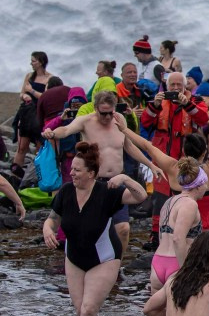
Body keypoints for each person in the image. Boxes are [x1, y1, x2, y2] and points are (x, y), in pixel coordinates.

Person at [43, 91, 162, 250]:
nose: (107, 117)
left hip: (117, 181)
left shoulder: (118, 121)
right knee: (91, 228)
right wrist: (52, 133)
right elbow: (65, 130)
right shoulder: (85, 121)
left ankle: (116, 266)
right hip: (94, 183)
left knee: (123, 229)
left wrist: (150, 165)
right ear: (95, 108)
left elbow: (129, 147)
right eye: (103, 113)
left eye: (110, 113)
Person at [42, 142, 148, 316]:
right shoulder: (66, 191)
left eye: (77, 170)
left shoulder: (107, 192)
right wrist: (47, 230)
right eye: (72, 169)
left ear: (91, 174)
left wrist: (125, 179)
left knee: (88, 311)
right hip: (74, 258)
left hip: (104, 258)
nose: (71, 173)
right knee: (80, 313)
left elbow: (141, 196)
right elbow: (52, 219)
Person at [140, 71, 209, 249]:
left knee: (186, 194)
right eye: (173, 85)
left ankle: (186, 230)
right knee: (160, 196)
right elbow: (146, 122)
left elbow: (203, 118)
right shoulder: (158, 101)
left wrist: (187, 105)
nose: (176, 88)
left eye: (179, 85)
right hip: (164, 156)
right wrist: (154, 105)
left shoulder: (196, 101)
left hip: (186, 158)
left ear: (185, 87)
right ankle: (156, 235)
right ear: (166, 86)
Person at [150, 157, 207, 293]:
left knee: (159, 312)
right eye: (205, 183)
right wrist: (184, 270)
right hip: (176, 264)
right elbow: (178, 238)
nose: (206, 187)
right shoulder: (190, 204)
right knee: (183, 313)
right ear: (198, 185)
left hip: (158, 262)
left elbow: (161, 235)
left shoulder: (169, 202)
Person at [12, 51, 54, 179]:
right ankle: (15, 176)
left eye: (34, 61)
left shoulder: (50, 78)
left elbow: (45, 97)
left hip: (39, 115)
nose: (31, 63)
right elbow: (21, 93)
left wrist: (31, 91)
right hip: (26, 113)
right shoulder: (29, 76)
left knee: (39, 148)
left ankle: (35, 177)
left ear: (41, 62)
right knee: (22, 147)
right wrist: (24, 95)